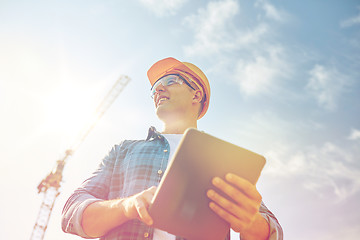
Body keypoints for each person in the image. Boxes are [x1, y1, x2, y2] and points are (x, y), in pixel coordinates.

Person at [61, 57, 283, 240]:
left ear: (196, 95)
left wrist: (250, 221)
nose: (158, 88)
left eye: (170, 80)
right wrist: (126, 206)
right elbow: (72, 211)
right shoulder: (123, 151)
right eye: (154, 88)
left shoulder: (222, 160)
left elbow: (273, 232)